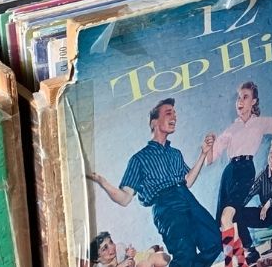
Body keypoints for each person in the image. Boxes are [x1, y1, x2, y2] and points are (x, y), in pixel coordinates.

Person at [86, 99, 221, 267]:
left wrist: (203, 153)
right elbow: (125, 198)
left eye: (175, 113)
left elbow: (187, 181)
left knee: (214, 241)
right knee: (185, 254)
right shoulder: (139, 159)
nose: (174, 117)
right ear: (154, 122)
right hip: (166, 204)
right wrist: (103, 182)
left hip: (186, 196)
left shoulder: (175, 153)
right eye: (168, 113)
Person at [208, 82, 272, 256]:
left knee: (227, 216)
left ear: (254, 102)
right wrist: (208, 147)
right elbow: (210, 158)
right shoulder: (231, 128)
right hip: (229, 173)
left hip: (245, 170)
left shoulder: (260, 123)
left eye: (245, 97)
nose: (240, 101)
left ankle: (240, 257)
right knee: (225, 221)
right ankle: (239, 258)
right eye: (239, 97)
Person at [222, 138, 272, 265]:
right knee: (238, 212)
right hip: (268, 214)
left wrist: (270, 202)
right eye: (270, 152)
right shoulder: (262, 176)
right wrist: (232, 210)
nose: (271, 156)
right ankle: (250, 249)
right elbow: (248, 194)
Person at [90, 232, 171, 267]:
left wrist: (130, 254)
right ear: (97, 258)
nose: (111, 247)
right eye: (105, 248)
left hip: (139, 260)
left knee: (162, 256)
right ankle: (153, 256)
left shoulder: (119, 249)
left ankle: (152, 252)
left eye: (111, 242)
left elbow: (133, 259)